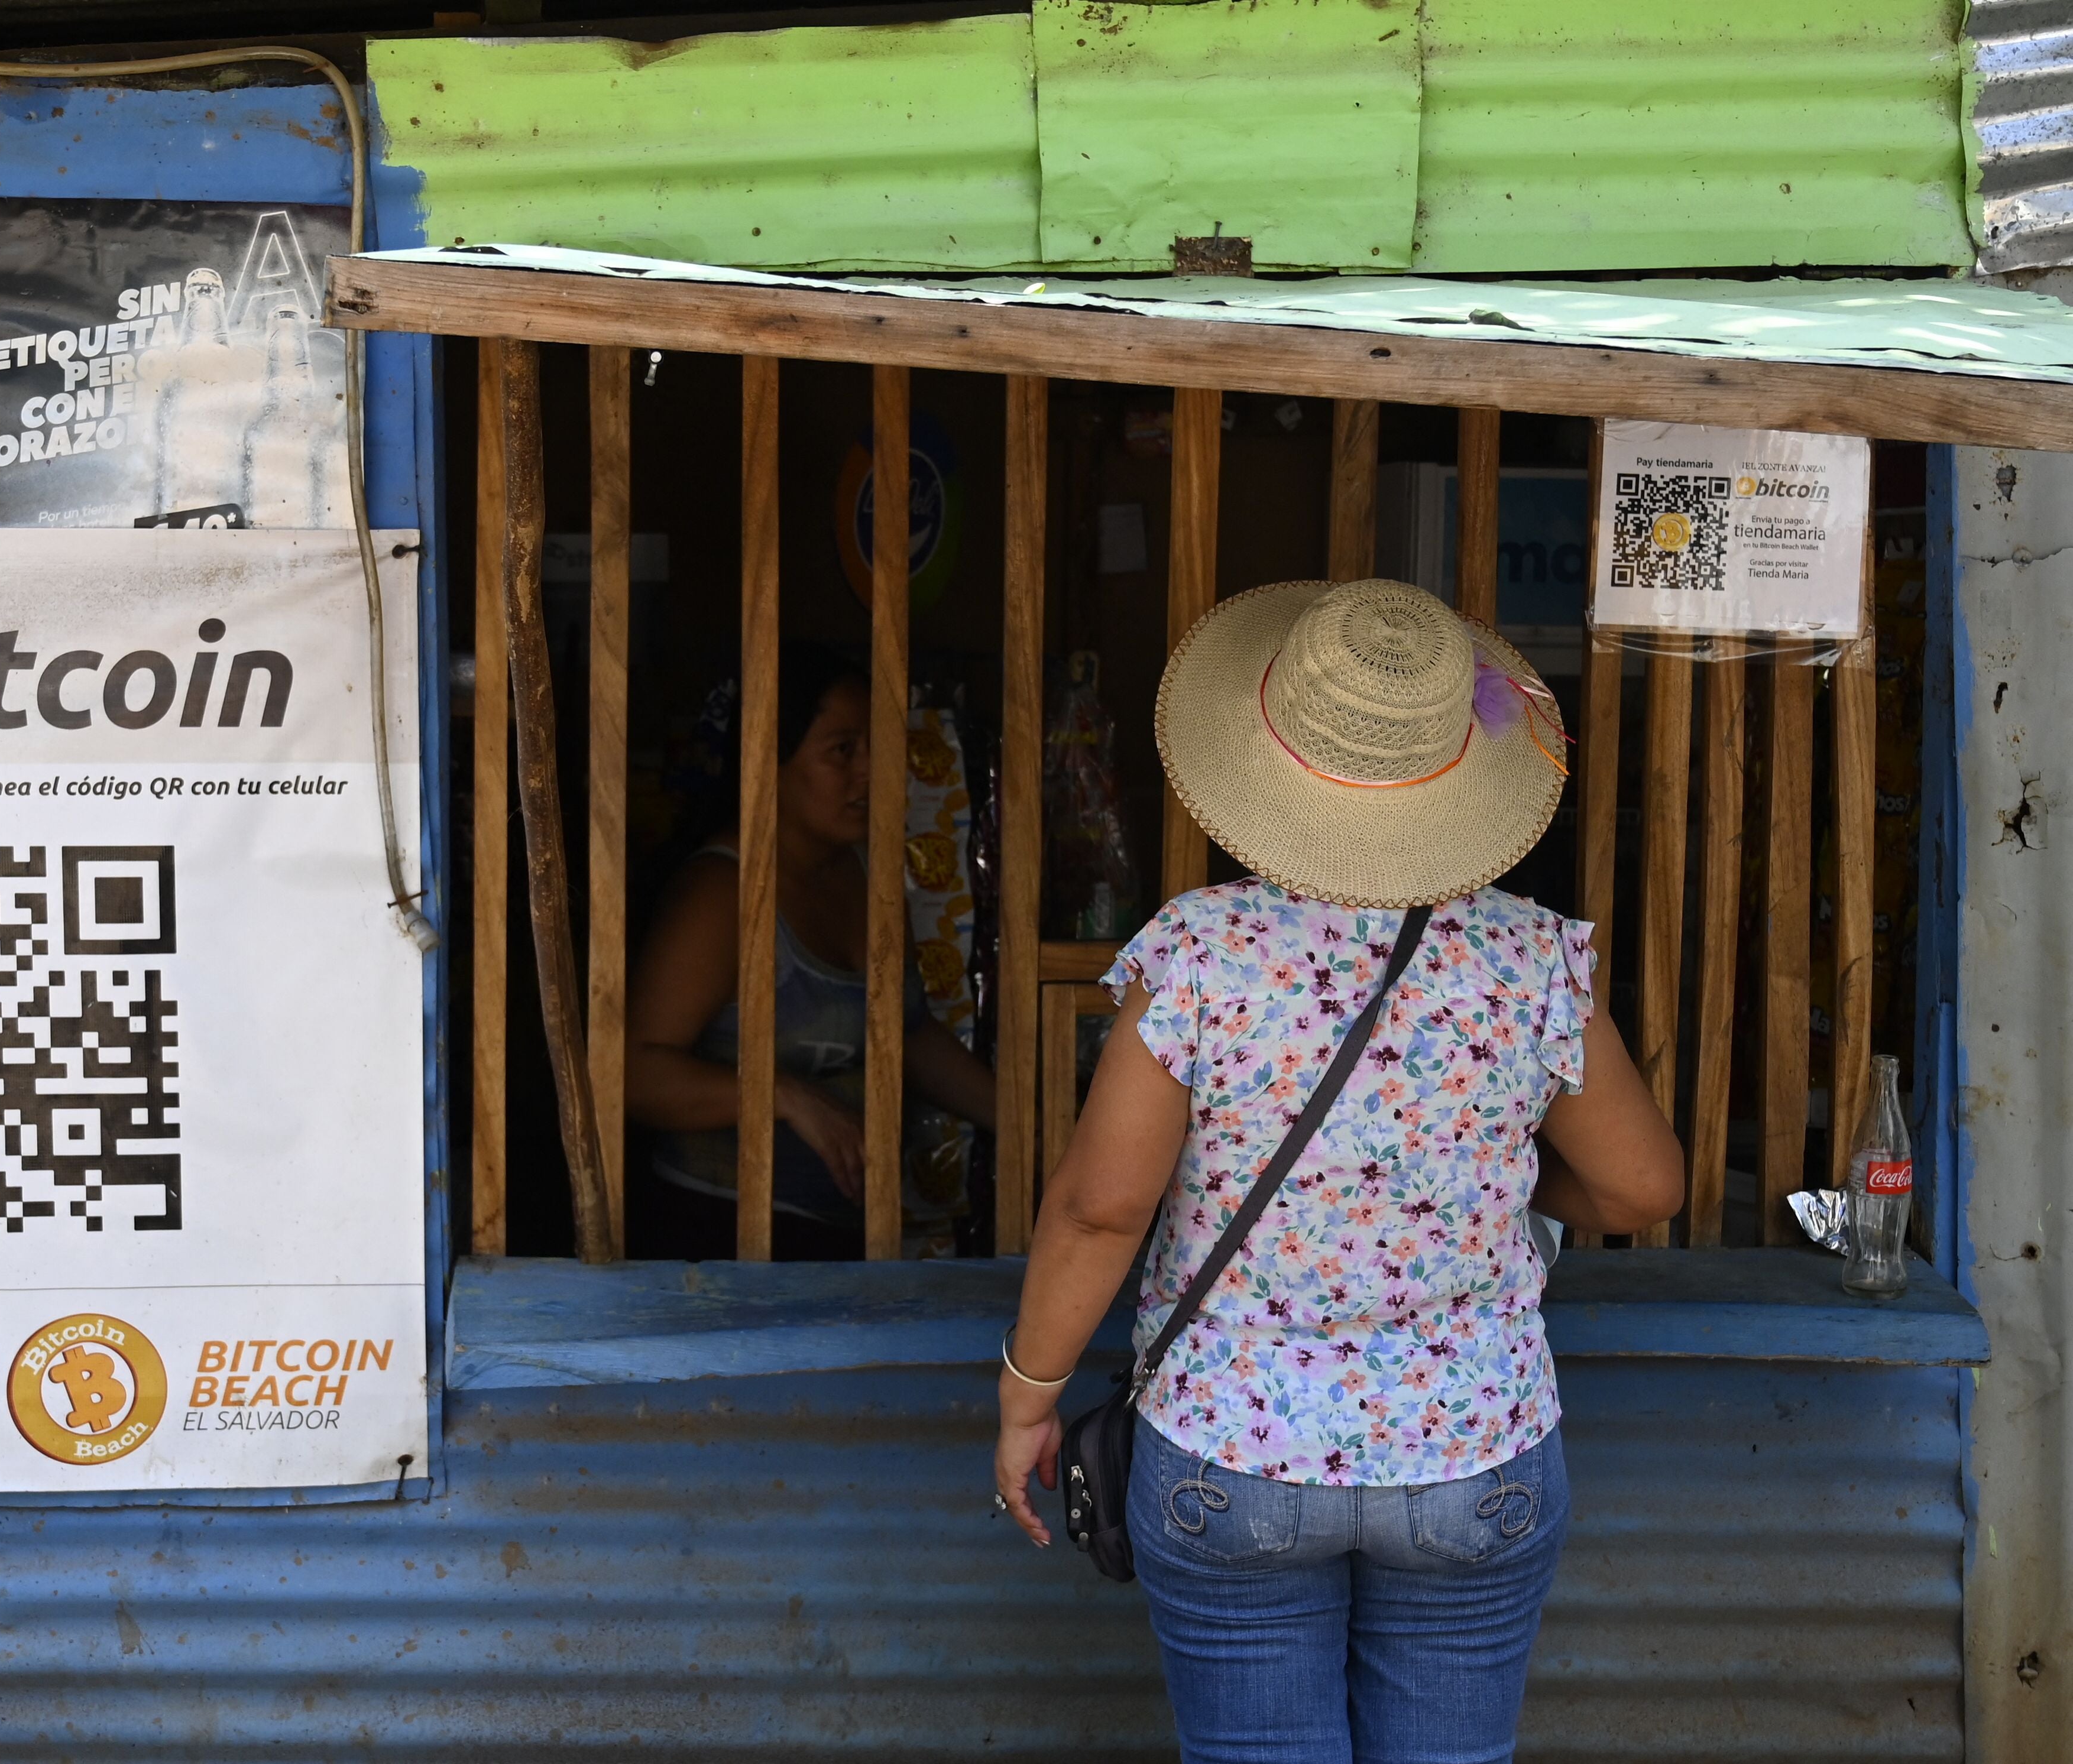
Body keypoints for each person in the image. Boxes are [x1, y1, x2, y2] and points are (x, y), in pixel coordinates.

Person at [992, 580, 1685, 1763]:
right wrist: (1497, 1182)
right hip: (1475, 1454)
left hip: (1231, 1451)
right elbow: (1638, 1189)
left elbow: (1101, 1208)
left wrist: (1026, 1398)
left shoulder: (1201, 952)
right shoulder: (1531, 959)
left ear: (1266, 762)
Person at [627, 647, 997, 1260]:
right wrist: (783, 1095)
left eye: (876, 744)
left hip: (850, 1237)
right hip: (717, 1240)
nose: (869, 770)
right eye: (842, 750)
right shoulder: (722, 897)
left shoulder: (870, 877)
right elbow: (633, 1074)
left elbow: (905, 1032)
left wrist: (1030, 1131)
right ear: (767, 759)